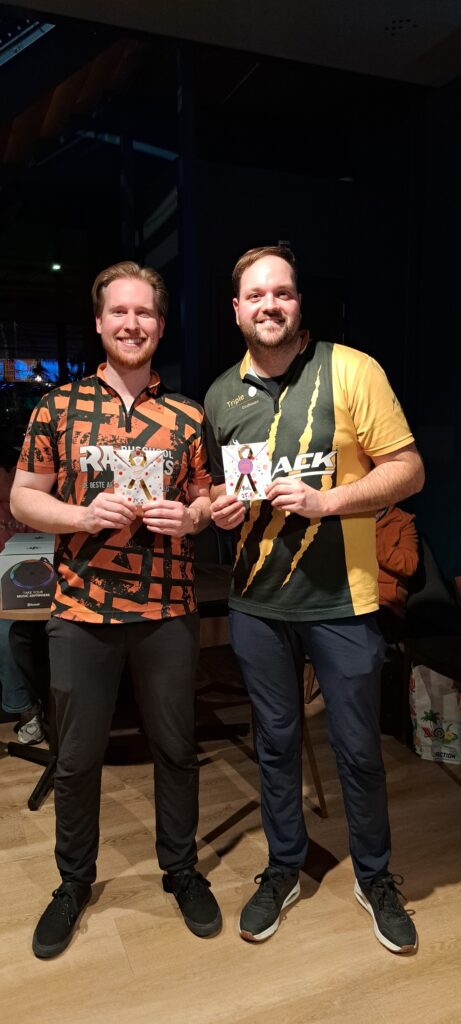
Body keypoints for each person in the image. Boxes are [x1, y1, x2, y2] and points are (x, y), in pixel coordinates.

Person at [204, 244, 425, 954]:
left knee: (358, 750)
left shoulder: (351, 369)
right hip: (255, 603)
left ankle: (374, 875)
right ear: (236, 310)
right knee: (274, 745)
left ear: (298, 302)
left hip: (342, 601)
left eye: (282, 292)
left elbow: (408, 469)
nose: (269, 305)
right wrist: (220, 508)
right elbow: (221, 489)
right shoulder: (221, 394)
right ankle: (283, 867)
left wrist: (327, 501)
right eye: (255, 295)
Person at [11, 261, 222, 959]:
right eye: (120, 312)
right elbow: (23, 498)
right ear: (100, 322)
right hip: (80, 609)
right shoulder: (57, 407)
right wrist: (80, 513)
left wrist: (191, 518)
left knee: (177, 751)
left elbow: (207, 500)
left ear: (160, 325)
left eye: (145, 313)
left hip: (167, 609)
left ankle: (181, 869)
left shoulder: (188, 415)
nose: (133, 324)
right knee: (76, 759)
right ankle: (73, 882)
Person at [0, 444, 45, 743]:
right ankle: (27, 711)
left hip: (51, 587)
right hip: (7, 594)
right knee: (5, 630)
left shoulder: (40, 502)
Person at [375, 504, 419, 642]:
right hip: (346, 600)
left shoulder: (403, 521)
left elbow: (409, 565)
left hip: (384, 604)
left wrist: (372, 545)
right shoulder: (347, 518)